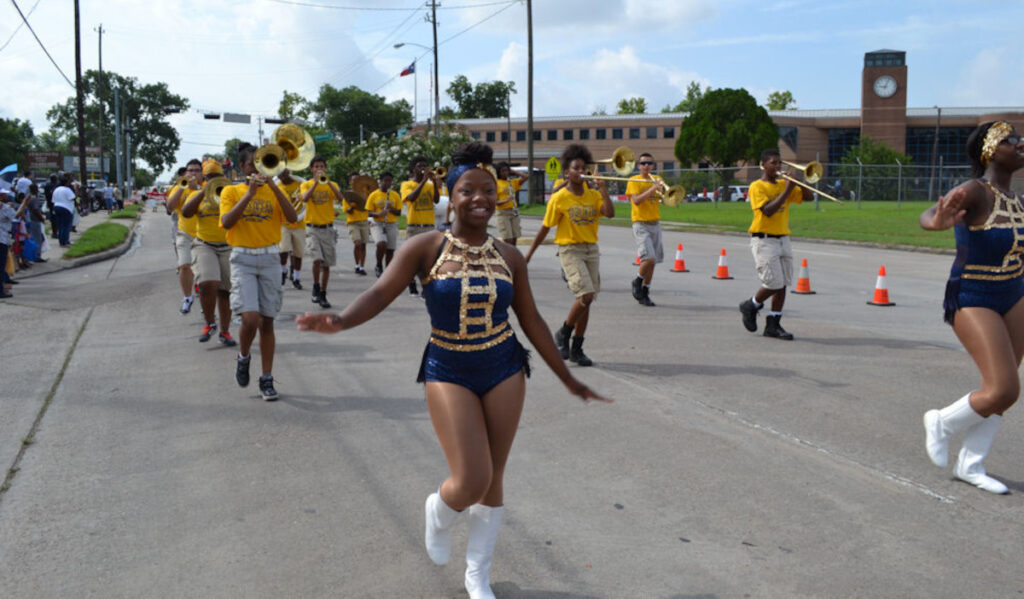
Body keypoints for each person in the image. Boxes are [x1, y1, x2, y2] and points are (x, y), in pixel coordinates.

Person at [296, 141, 609, 599]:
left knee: (494, 475)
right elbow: (381, 293)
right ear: (451, 193)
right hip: (448, 366)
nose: (480, 198)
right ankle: (439, 512)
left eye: (489, 190)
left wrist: (567, 377)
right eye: (469, 190)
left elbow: (533, 320)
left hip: (504, 365)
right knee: (470, 479)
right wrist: (340, 320)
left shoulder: (510, 254)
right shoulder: (426, 247)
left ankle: (476, 574)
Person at [919, 121, 1024, 495]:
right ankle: (942, 422)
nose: (1019, 144)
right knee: (1003, 389)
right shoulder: (974, 191)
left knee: (1004, 386)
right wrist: (936, 222)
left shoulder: (1018, 199)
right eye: (1011, 140)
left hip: (1015, 293)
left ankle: (970, 464)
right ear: (990, 150)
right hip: (973, 294)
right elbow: (931, 214)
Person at [524, 144, 615, 367]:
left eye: (584, 168)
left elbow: (610, 214)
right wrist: (528, 256)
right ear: (567, 173)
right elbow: (545, 228)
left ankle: (577, 348)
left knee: (588, 300)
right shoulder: (560, 198)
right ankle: (563, 332)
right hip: (570, 249)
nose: (581, 171)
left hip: (591, 249)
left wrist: (603, 189)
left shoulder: (593, 194)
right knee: (585, 295)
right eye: (576, 168)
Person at [220, 143, 298, 401]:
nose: (258, 169)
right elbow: (227, 222)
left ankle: (266, 377)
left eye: (264, 164)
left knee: (267, 321)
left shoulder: (273, 192)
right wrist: (249, 195)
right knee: (250, 318)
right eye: (253, 164)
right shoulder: (231, 190)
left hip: (269, 259)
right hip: (243, 259)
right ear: (242, 167)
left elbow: (292, 217)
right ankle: (243, 357)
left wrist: (273, 186)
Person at [738, 149, 806, 340]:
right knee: (773, 282)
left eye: (780, 163)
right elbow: (767, 210)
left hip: (783, 238)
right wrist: (787, 190)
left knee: (783, 283)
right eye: (773, 163)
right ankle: (751, 304)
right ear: (763, 165)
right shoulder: (757, 186)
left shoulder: (785, 184)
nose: (778, 167)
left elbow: (807, 197)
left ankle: (773, 324)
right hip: (764, 239)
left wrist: (801, 181)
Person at [181, 159, 237, 347]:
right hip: (204, 244)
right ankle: (209, 323)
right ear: (205, 178)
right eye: (210, 177)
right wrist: (204, 191)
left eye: (217, 176)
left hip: (227, 245)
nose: (214, 180)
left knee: (225, 291)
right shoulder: (197, 194)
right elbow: (187, 212)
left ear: (223, 176)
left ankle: (225, 331)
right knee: (207, 283)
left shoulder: (229, 193)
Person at [298, 156, 343, 309]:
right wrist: (316, 182)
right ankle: (316, 286)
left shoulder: (332, 184)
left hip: (328, 228)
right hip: (312, 228)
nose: (319, 169)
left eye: (322, 166)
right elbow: (304, 198)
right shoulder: (306, 184)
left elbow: (340, 197)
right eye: (316, 166)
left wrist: (327, 182)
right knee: (316, 259)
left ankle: (323, 293)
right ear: (312, 169)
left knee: (327, 264)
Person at [625, 152, 666, 307]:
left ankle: (645, 291)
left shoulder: (658, 179)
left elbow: (664, 199)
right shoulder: (634, 180)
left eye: (649, 163)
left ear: (653, 165)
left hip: (655, 223)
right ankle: (637, 280)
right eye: (643, 163)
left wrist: (663, 192)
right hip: (640, 223)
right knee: (649, 258)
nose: (646, 166)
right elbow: (636, 200)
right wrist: (652, 188)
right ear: (638, 166)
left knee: (653, 261)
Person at [167, 160, 203, 315]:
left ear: (202, 172)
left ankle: (205, 302)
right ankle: (187, 298)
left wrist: (197, 191)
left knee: (203, 272)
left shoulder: (209, 186)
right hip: (184, 233)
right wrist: (182, 188)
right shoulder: (178, 187)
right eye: (190, 170)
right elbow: (169, 208)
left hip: (203, 235)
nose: (193, 174)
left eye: (196, 170)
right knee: (184, 265)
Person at [401, 156, 440, 296]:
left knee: (429, 258)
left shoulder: (429, 185)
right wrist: (424, 181)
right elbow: (411, 198)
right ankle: (411, 284)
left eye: (425, 166)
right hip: (414, 225)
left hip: (428, 225)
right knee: (413, 258)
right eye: (419, 166)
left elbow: (436, 200)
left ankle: (425, 286)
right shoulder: (406, 184)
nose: (423, 168)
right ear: (413, 169)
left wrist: (434, 183)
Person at [365, 171, 402, 278]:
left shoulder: (394, 195)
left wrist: (391, 209)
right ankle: (378, 265)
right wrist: (378, 213)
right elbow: (368, 212)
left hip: (391, 224)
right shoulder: (374, 195)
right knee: (381, 244)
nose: (387, 183)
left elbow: (399, 212)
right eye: (385, 180)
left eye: (390, 181)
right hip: (378, 223)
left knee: (390, 249)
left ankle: (388, 271)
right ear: (380, 181)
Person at [276, 169, 305, 289]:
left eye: (283, 172)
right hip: (283, 223)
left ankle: (296, 278)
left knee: (298, 253)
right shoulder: (276, 186)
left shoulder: (300, 184)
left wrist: (297, 197)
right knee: (283, 250)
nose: (281, 175)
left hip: (299, 223)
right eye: (278, 172)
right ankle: (283, 271)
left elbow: (306, 199)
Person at [0, 191, 26, 297]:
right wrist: (23, 204)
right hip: (1, 239)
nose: (7, 195)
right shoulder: (4, 208)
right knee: (1, 266)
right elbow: (16, 216)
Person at [343, 172, 370, 276]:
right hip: (353, 222)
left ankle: (362, 266)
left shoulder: (365, 193)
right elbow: (347, 210)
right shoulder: (348, 195)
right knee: (357, 243)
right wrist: (353, 205)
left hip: (364, 221)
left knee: (363, 245)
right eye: (353, 180)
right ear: (350, 182)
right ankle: (356, 264)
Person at [493, 162, 523, 246]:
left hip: (513, 211)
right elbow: (494, 202)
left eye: (506, 170)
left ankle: (513, 255)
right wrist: (505, 201)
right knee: (508, 238)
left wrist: (513, 171)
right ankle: (508, 255)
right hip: (503, 212)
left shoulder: (512, 182)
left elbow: (526, 177)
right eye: (503, 171)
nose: (505, 173)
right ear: (499, 172)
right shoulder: (496, 183)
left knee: (515, 237)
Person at [51, 174, 77, 248]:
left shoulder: (56, 189)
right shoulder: (67, 189)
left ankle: (61, 241)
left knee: (60, 225)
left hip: (56, 207)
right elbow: (73, 198)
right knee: (66, 226)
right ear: (66, 183)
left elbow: (53, 200)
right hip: (66, 208)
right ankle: (65, 241)